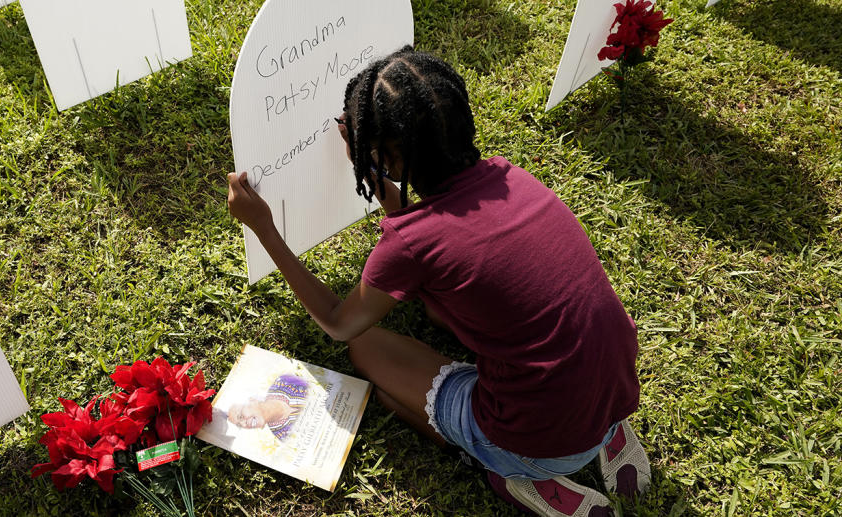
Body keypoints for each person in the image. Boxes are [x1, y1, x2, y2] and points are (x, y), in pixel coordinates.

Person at [226, 46, 650, 517]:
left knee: (369, 357)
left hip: (539, 440)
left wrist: (262, 226)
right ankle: (601, 439)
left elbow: (338, 323)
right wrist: (375, 165)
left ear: (389, 153)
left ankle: (516, 473)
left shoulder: (411, 243)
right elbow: (439, 242)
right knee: (437, 308)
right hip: (613, 394)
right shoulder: (512, 177)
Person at [227, 374, 309, 441]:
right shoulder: (283, 435)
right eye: (240, 425)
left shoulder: (283, 383)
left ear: (252, 400)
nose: (244, 424)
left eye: (240, 416)